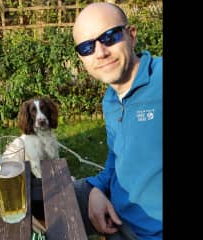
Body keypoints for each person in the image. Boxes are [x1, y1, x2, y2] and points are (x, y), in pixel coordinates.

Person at [72, 2, 162, 240]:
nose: (100, 52)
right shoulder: (111, 99)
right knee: (39, 200)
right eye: (86, 47)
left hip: (147, 231)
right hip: (116, 203)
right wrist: (96, 189)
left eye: (109, 37)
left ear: (131, 36)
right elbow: (117, 158)